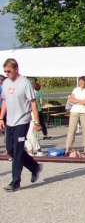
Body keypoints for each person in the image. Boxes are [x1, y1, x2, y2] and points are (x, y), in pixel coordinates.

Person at [0, 58, 42, 192]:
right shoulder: (5, 83)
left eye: (9, 71)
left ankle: (15, 182)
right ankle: (34, 167)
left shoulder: (25, 83)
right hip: (10, 122)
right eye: (5, 71)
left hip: (22, 121)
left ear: (16, 69)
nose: (6, 74)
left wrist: (36, 121)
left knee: (18, 151)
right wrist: (1, 118)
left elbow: (33, 103)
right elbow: (5, 101)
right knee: (10, 150)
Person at [65, 76, 85, 156]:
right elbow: (70, 100)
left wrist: (76, 101)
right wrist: (81, 101)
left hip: (84, 111)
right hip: (74, 111)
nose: (81, 83)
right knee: (71, 130)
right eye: (80, 82)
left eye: (83, 82)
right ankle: (68, 148)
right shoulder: (75, 89)